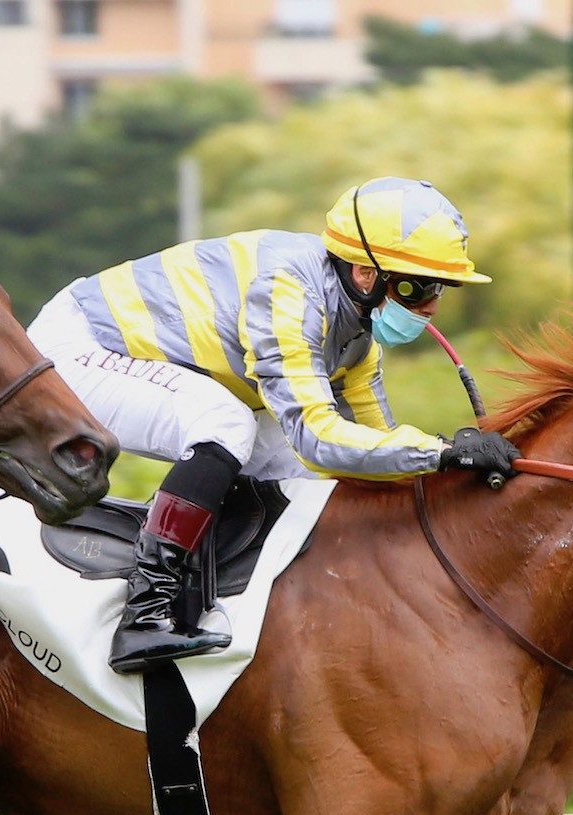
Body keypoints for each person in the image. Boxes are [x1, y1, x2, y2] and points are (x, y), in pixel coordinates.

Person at [27, 176, 519, 674]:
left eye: (441, 289)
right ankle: (146, 610)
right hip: (78, 350)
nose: (432, 306)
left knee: (301, 473)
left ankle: (240, 605)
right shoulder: (289, 291)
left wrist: (455, 470)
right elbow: (319, 437)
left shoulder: (358, 343)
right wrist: (440, 452)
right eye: (419, 286)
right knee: (228, 424)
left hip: (145, 361)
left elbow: (371, 454)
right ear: (365, 274)